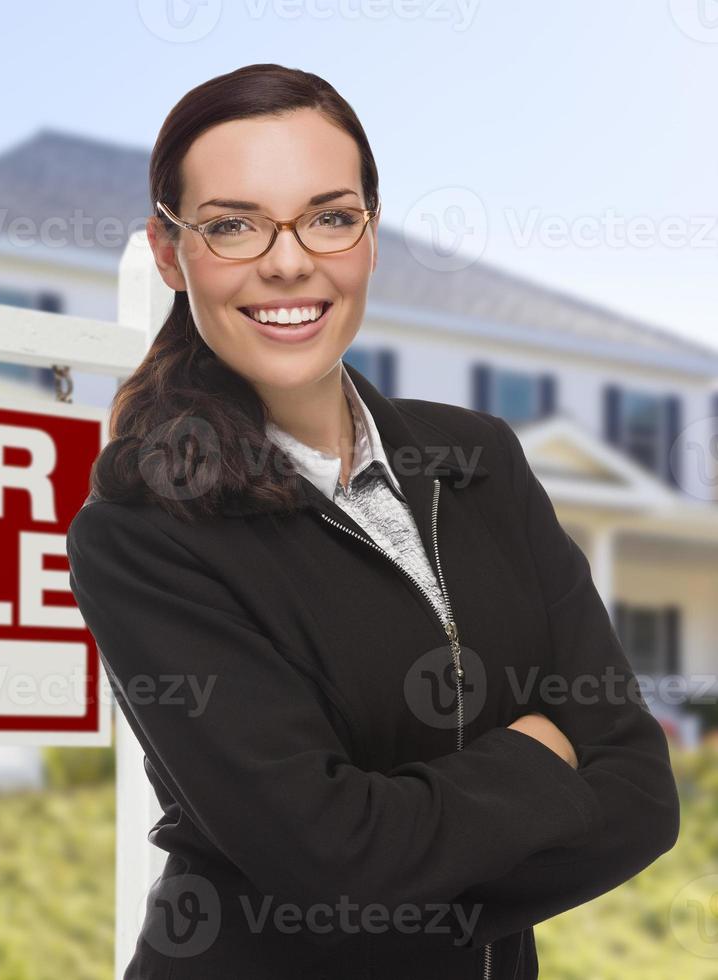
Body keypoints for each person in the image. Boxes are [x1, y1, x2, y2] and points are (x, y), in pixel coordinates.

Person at [65, 64, 680, 980]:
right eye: (233, 224)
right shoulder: (143, 533)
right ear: (169, 251)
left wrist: (396, 870)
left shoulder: (480, 462)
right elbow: (326, 864)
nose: (288, 260)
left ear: (371, 234)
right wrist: (540, 757)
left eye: (329, 215)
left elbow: (637, 791)